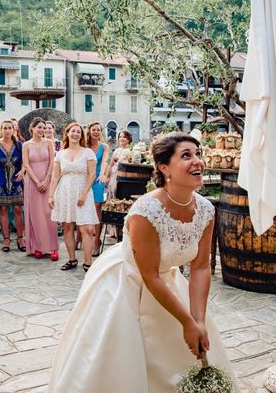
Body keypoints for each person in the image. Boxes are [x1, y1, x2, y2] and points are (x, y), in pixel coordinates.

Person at [48, 133, 237, 391]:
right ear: (164, 167)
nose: (198, 161)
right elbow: (150, 276)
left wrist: (198, 320)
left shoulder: (205, 209)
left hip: (167, 280)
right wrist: (187, 322)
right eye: (186, 155)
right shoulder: (146, 212)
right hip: (127, 283)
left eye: (198, 154)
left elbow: (201, 266)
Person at [48, 122, 99, 271]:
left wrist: (83, 193)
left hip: (83, 191)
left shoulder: (88, 152)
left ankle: (88, 263)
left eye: (78, 132)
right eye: (73, 131)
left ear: (81, 135)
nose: (75, 134)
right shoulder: (60, 154)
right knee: (67, 226)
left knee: (87, 228)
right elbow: (55, 176)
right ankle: (72, 259)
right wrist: (51, 196)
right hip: (64, 191)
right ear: (67, 134)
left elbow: (92, 174)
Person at [22, 117, 59, 260]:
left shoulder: (50, 143)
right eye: (39, 127)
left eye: (44, 128)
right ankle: (37, 246)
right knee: (35, 215)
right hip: (32, 183)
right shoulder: (26, 145)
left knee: (49, 214)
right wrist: (37, 182)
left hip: (48, 181)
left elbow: (52, 162)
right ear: (32, 128)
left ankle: (53, 248)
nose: (42, 130)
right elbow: (26, 165)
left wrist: (46, 180)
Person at [0, 120, 25, 252]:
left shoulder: (19, 144)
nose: (7, 130)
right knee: (3, 210)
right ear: (1, 130)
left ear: (13, 130)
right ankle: (6, 239)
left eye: (10, 128)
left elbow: (23, 161)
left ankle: (20, 238)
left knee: (17, 210)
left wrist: (22, 171)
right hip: (2, 182)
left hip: (16, 181)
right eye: (5, 128)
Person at [86, 121, 109, 256]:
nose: (96, 132)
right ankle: (79, 237)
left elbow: (105, 161)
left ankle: (96, 241)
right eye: (93, 129)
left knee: (97, 207)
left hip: (98, 179)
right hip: (85, 179)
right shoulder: (84, 146)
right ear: (89, 131)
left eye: (98, 130)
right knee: (82, 207)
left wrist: (102, 174)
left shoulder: (104, 146)